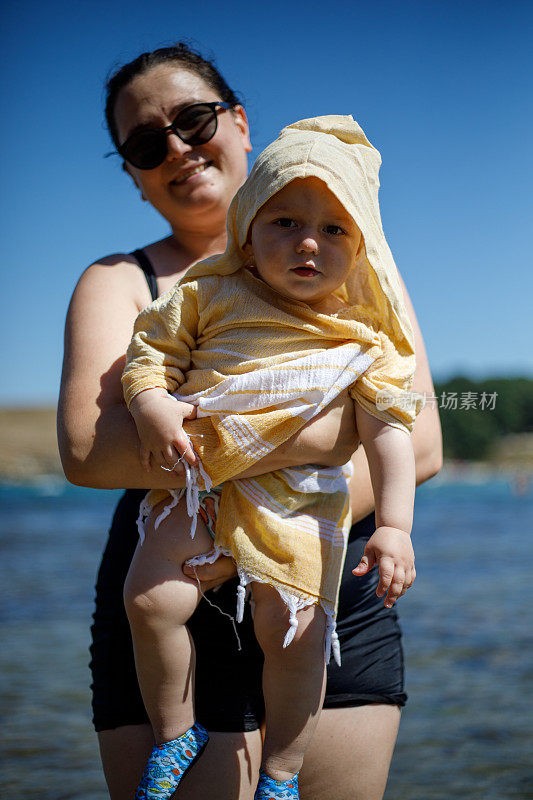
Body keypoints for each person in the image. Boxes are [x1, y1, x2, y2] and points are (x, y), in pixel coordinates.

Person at [57, 43, 442, 800]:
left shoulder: (364, 278)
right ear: (135, 177)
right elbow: (88, 455)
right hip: (179, 555)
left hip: (321, 562)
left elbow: (416, 433)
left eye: (193, 119)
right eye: (145, 143)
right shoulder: (125, 282)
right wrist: (318, 435)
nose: (176, 147)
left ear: (237, 123)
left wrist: (259, 515)